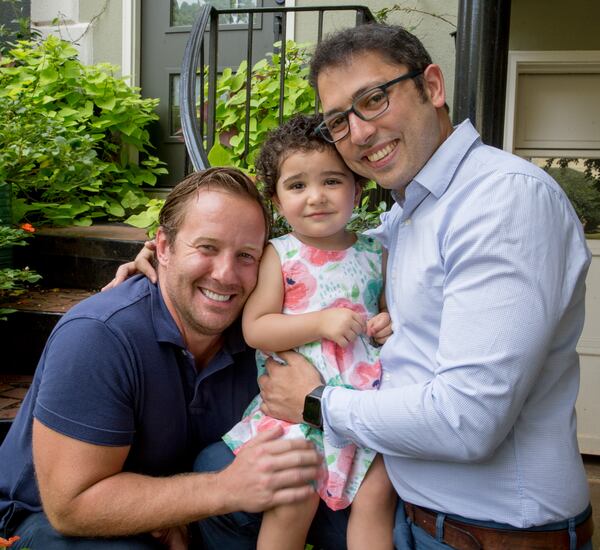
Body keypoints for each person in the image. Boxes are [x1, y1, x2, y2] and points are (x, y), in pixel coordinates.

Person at [106, 22, 595, 550]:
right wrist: (165, 259)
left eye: (374, 99)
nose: (359, 132)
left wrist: (316, 403)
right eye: (340, 120)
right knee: (221, 477)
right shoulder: (408, 218)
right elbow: (326, 257)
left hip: (487, 534)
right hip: (419, 516)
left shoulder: (500, 201)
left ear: (432, 86)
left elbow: (468, 420)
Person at [0, 167, 323, 549]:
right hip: (44, 524)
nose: (226, 274)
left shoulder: (260, 329)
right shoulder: (99, 335)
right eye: (207, 247)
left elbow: (347, 260)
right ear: (164, 248)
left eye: (246, 255)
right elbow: (70, 507)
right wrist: (223, 488)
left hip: (178, 504)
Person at [222, 114, 397, 550]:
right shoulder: (278, 255)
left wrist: (384, 326)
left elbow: (384, 318)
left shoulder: (377, 252)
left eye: (332, 182)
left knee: (377, 496)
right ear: (278, 202)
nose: (316, 197)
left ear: (358, 187)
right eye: (297, 185)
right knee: (292, 499)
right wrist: (321, 322)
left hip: (361, 406)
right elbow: (256, 329)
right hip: (294, 414)